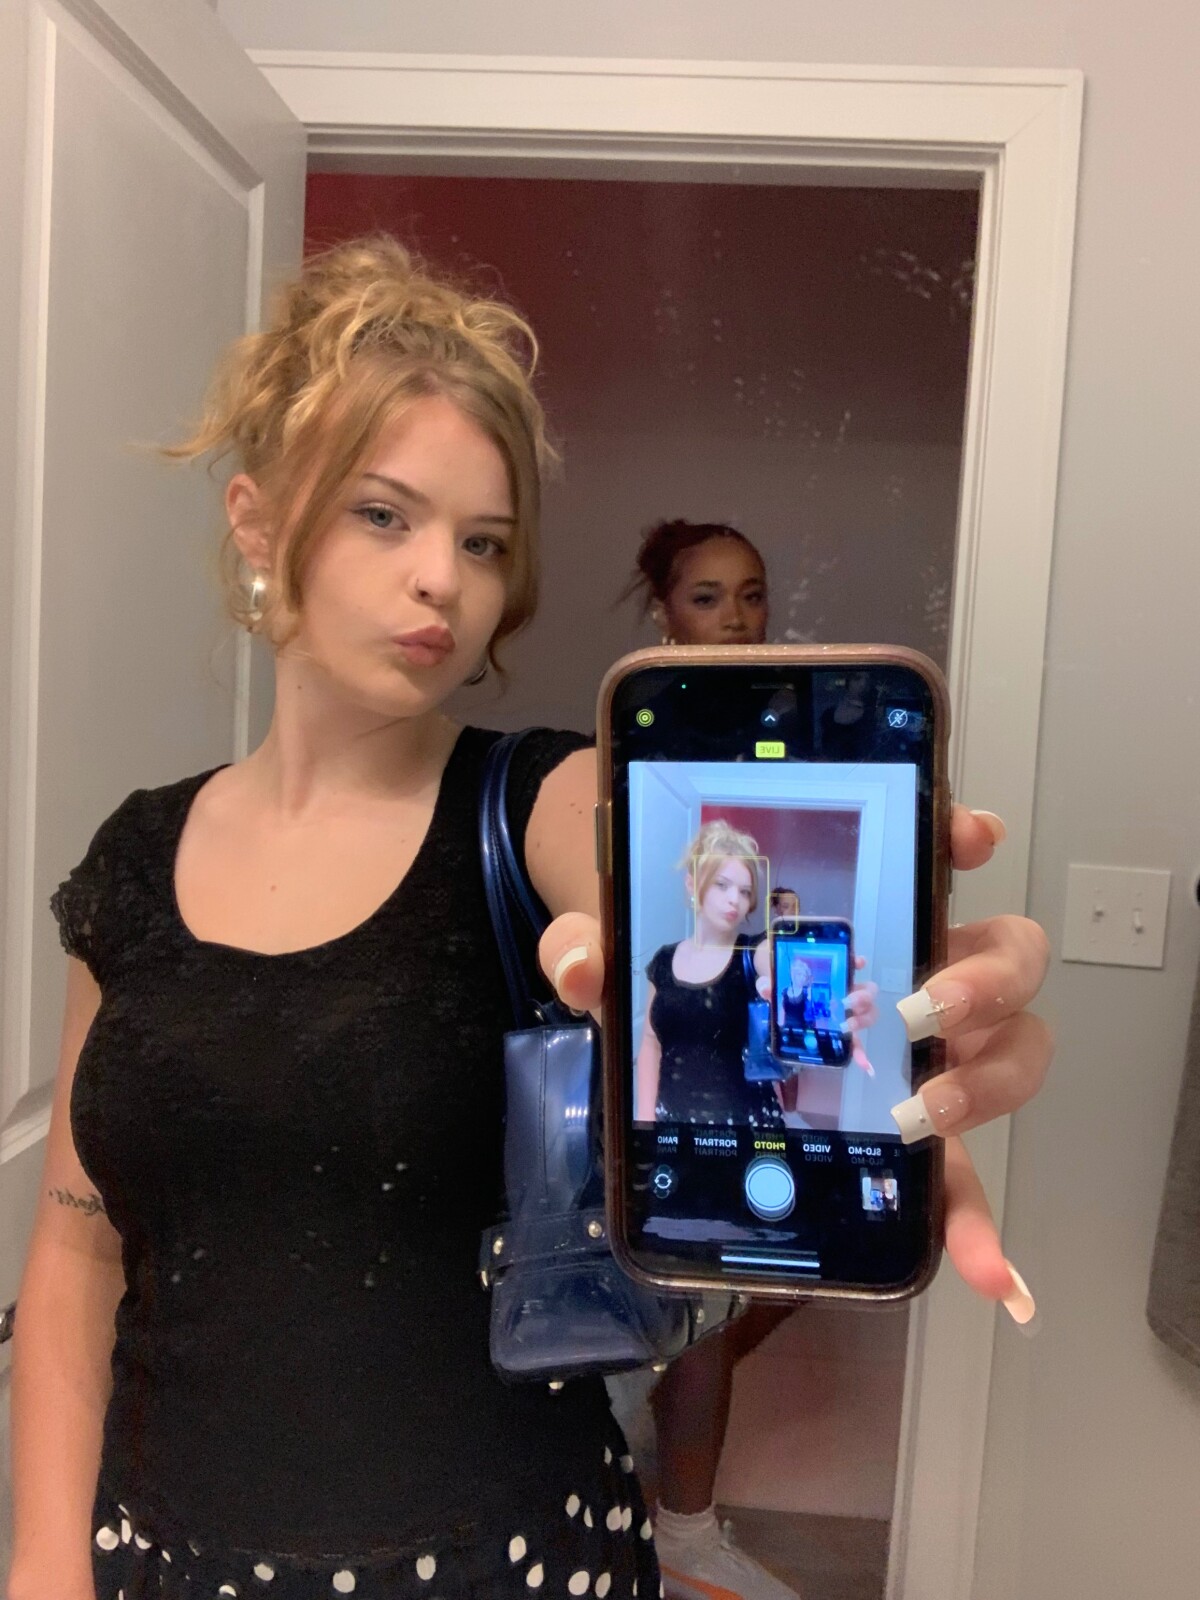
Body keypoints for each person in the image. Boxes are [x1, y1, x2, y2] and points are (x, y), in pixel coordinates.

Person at [9, 240, 1051, 1600]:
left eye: (483, 542)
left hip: (506, 1560)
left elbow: (674, 868)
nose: (443, 578)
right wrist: (42, 1562)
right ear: (257, 524)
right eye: (384, 515)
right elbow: (78, 1237)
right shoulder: (135, 858)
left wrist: (900, 1021)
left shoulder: (538, 803)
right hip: (159, 1555)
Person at [618, 518, 1028, 1600]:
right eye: (707, 597)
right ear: (664, 611)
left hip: (754, 1105)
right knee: (700, 1297)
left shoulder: (823, 740)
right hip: (663, 1125)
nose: (737, 618)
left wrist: (855, 1016)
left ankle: (671, 1450)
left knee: (802, 1261)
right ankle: (680, 1508)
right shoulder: (620, 761)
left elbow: (794, 1001)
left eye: (752, 593)